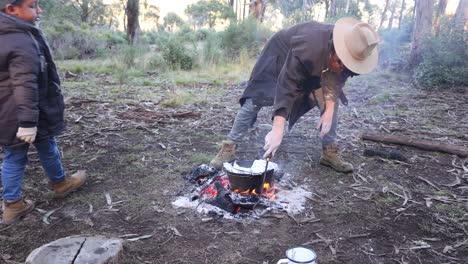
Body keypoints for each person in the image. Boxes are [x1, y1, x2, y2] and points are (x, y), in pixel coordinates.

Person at [210, 17, 379, 173]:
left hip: (315, 63)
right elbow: (287, 85)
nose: (342, 69)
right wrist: (278, 129)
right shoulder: (311, 44)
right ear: (335, 48)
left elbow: (337, 81)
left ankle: (329, 153)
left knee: (329, 105)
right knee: (257, 98)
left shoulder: (354, 50)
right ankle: (229, 147)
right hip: (280, 56)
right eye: (340, 63)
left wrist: (328, 110)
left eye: (346, 66)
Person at [0, 0, 86, 225]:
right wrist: (28, 122)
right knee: (32, 151)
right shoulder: (19, 39)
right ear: (11, 9)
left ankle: (16, 203)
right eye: (32, 5)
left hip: (6, 112)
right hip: (27, 113)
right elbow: (25, 83)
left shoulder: (9, 34)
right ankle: (52, 187)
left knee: (19, 153)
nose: (39, 10)